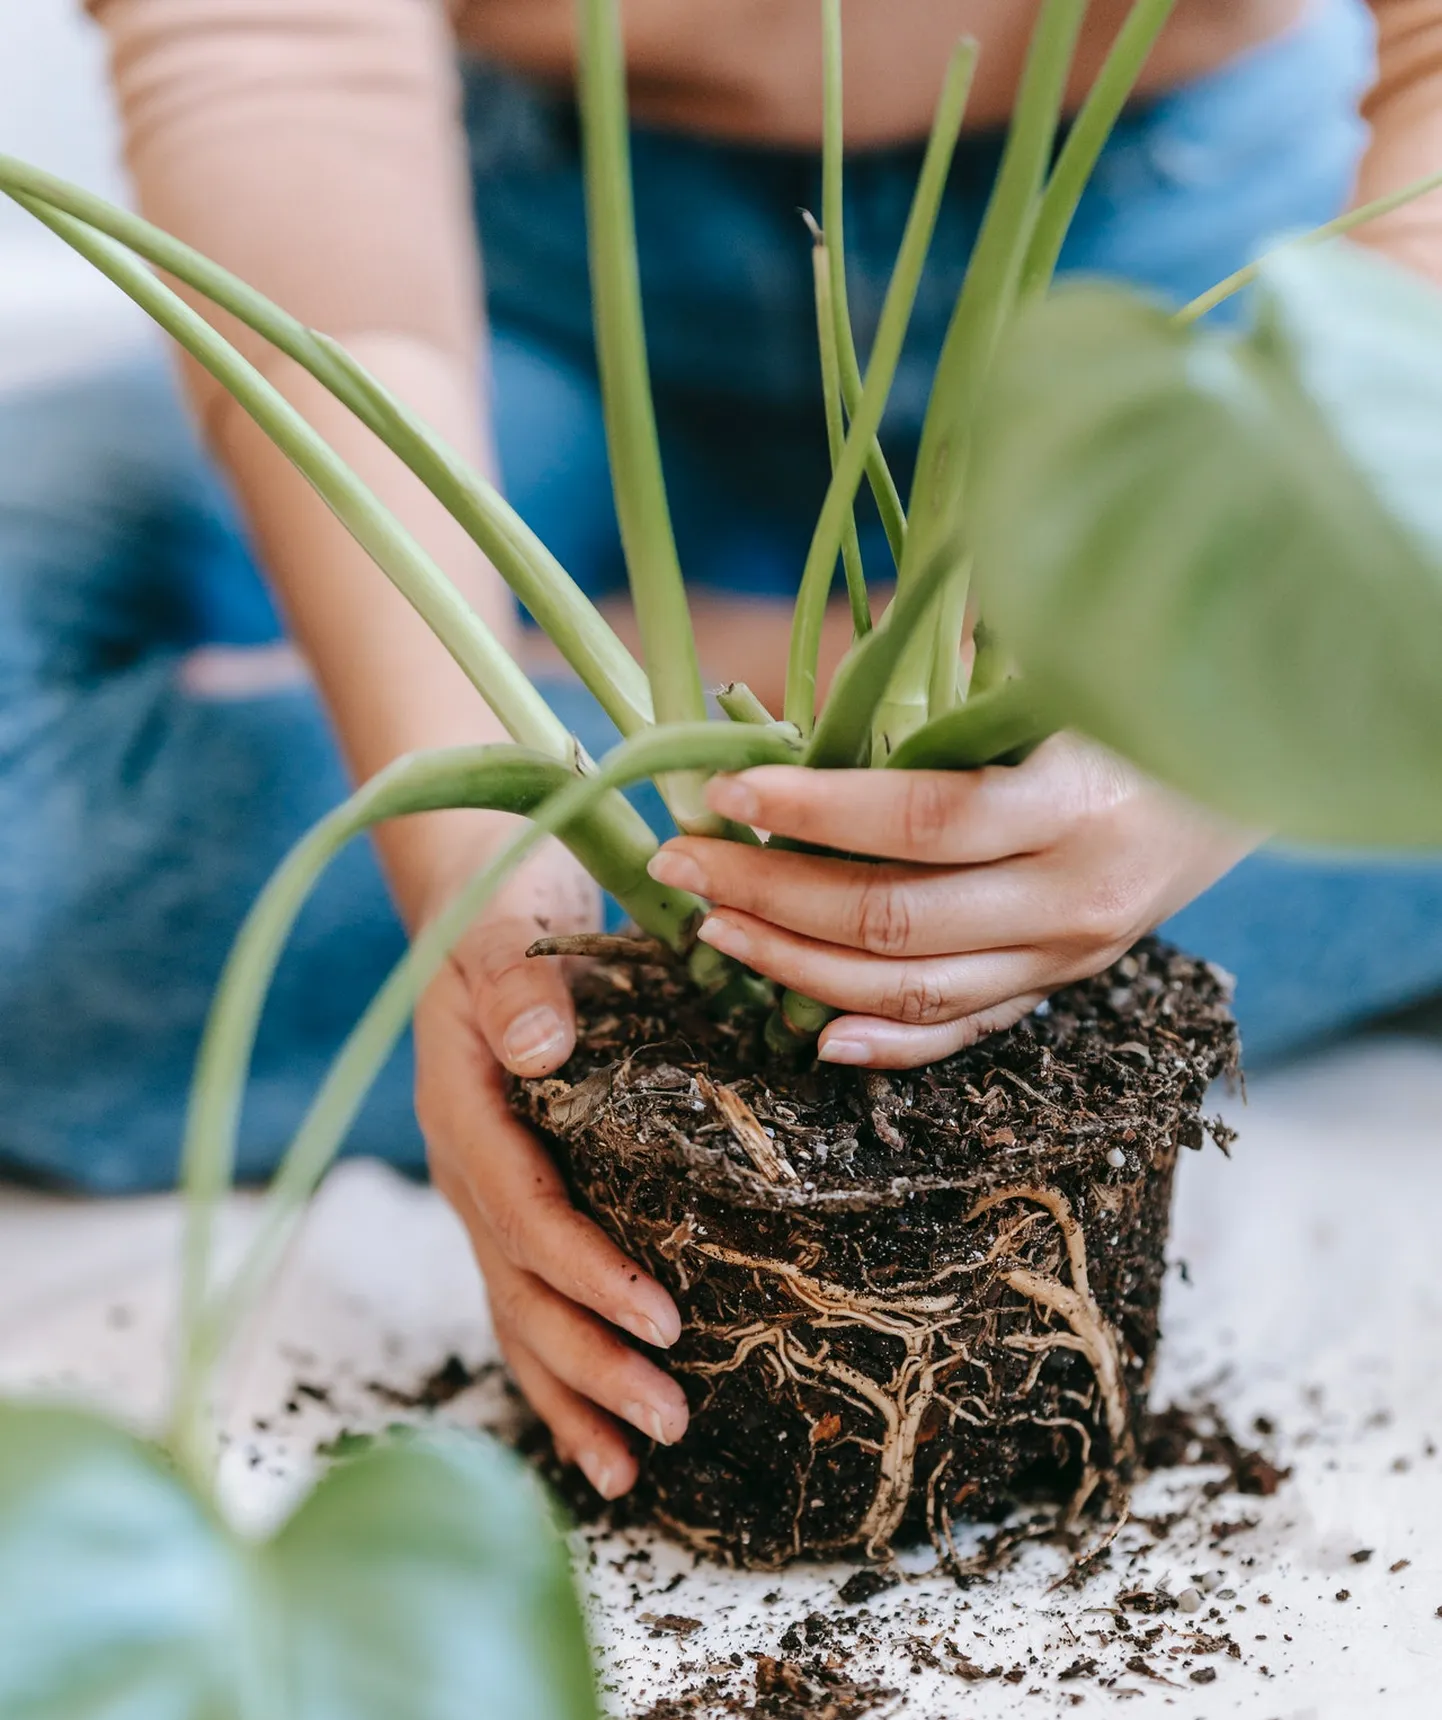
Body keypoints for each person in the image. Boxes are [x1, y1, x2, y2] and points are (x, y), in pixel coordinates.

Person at [3, 0, 1441, 1498]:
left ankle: (703, 693)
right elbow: (272, 46)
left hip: (1181, 252)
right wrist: (459, 862)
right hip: (531, 283)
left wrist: (1234, 706)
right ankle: (867, 687)